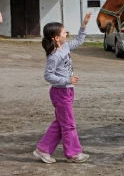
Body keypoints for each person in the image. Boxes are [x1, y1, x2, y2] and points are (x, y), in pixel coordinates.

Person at [33, 12, 92, 164]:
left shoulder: (65, 46)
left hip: (68, 91)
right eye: (64, 31)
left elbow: (79, 41)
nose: (67, 33)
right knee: (69, 124)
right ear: (56, 38)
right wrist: (66, 79)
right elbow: (48, 76)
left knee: (61, 123)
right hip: (60, 92)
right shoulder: (54, 56)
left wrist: (84, 25)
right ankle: (73, 154)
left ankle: (42, 150)